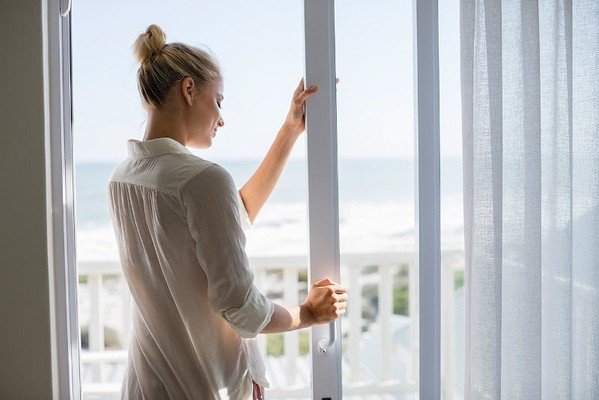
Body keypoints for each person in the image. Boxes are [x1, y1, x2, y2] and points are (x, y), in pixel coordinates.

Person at [108, 24, 348, 400]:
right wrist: (310, 314)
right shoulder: (200, 179)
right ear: (189, 90)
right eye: (218, 100)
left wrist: (289, 131)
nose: (221, 118)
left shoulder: (123, 178)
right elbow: (241, 307)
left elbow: (236, 212)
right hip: (204, 384)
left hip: (146, 386)